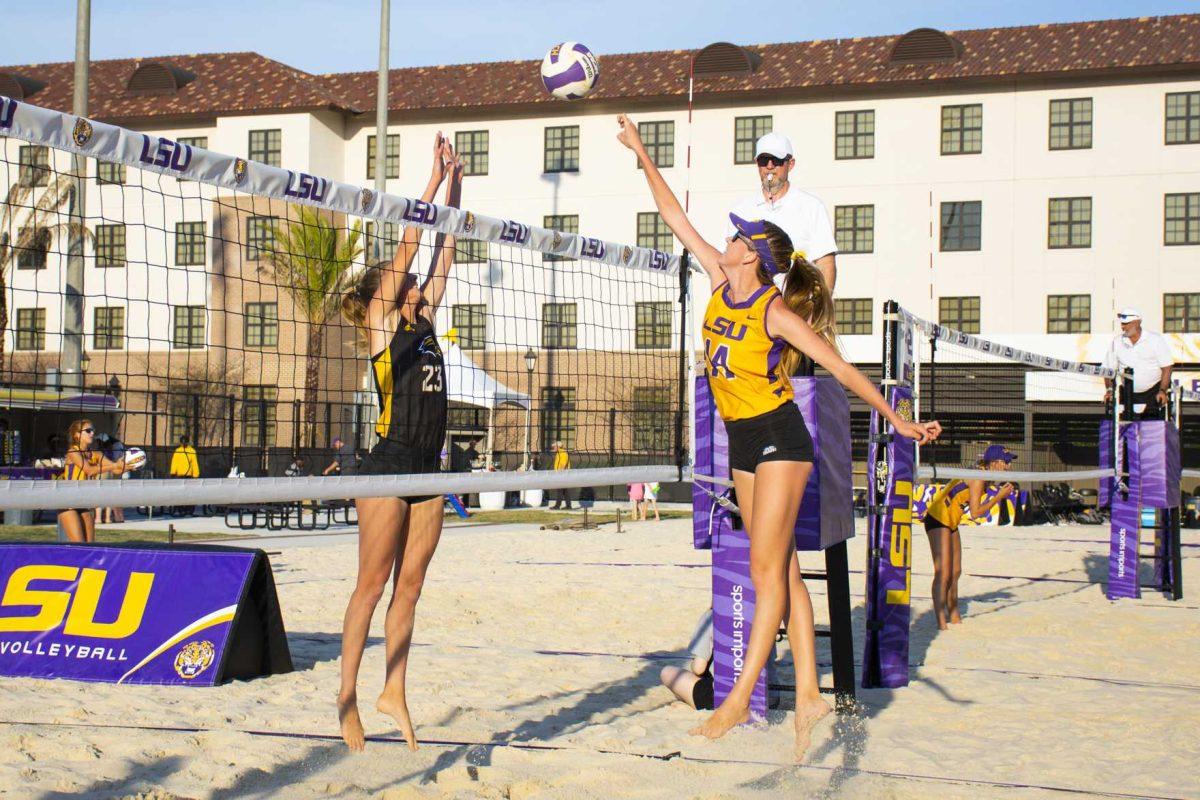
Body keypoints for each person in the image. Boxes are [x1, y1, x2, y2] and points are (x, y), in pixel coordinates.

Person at [617, 113, 940, 758]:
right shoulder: (718, 278)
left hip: (782, 439)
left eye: (737, 239)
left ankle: (736, 702)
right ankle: (814, 692)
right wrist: (641, 152)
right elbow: (674, 218)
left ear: (753, 258)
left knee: (767, 572)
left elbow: (842, 366)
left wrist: (897, 419)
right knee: (785, 571)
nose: (727, 239)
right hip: (740, 438)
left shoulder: (774, 309)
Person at [335, 133, 462, 752]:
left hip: (429, 468)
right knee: (371, 585)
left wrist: (457, 186)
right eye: (401, 279)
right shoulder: (381, 323)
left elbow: (445, 254)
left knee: (410, 587)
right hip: (385, 465)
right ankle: (346, 699)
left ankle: (395, 690)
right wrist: (430, 184)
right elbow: (414, 246)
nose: (413, 282)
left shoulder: (426, 320)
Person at [726, 131, 838, 293]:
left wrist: (819, 312)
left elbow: (826, 263)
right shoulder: (740, 210)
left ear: (790, 164)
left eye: (776, 160)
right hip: (752, 310)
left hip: (796, 308)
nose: (770, 166)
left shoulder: (812, 207)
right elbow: (728, 261)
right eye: (764, 161)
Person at [922, 445, 1015, 631]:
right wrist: (999, 497)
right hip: (938, 518)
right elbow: (975, 513)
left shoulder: (986, 476)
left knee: (956, 572)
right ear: (995, 463)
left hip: (951, 521)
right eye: (1006, 462)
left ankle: (954, 615)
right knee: (943, 573)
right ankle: (941, 621)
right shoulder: (979, 478)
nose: (1009, 466)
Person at [58, 419, 136, 543]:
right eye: (88, 431)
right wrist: (114, 466)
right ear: (77, 435)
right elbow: (89, 470)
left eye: (93, 430)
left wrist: (129, 464)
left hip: (85, 502)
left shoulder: (96, 454)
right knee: (79, 546)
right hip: (69, 502)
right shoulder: (73, 452)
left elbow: (116, 469)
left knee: (90, 547)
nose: (92, 433)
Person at [1102, 308, 1176, 420]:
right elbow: (1108, 370)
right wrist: (1109, 390)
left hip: (1153, 393)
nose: (1123, 327)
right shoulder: (1116, 342)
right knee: (1125, 429)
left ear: (1137, 323)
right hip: (1127, 392)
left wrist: (1162, 391)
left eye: (1126, 324)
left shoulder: (1155, 340)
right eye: (1122, 324)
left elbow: (1167, 367)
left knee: (1151, 431)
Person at [550, 440, 573, 510]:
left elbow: (563, 465)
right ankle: (568, 506)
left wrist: (559, 475)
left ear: (558, 447)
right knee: (565, 491)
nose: (553, 448)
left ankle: (557, 506)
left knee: (560, 490)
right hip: (560, 474)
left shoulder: (563, 453)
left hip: (562, 475)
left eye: (554, 447)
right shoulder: (559, 453)